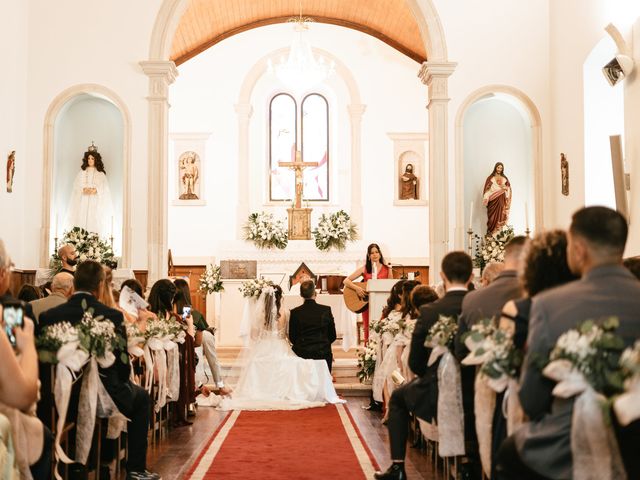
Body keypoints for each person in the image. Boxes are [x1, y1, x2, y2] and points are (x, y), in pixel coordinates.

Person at [496, 207, 640, 480]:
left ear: (579, 250)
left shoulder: (549, 304)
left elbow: (532, 399)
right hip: (635, 443)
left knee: (508, 453)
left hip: (568, 445)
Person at [39, 261, 159, 480]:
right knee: (141, 398)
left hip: (59, 398)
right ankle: (134, 469)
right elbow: (121, 365)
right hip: (105, 393)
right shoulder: (111, 316)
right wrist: (124, 381)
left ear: (74, 285)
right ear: (100, 286)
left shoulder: (50, 316)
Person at [374, 251, 473, 480]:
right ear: (470, 277)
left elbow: (415, 362)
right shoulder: (477, 304)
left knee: (398, 399)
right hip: (476, 385)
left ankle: (398, 468)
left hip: (438, 388)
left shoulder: (430, 311)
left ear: (442, 276)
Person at [488, 231, 577, 479]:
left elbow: (500, 362)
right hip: (575, 416)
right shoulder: (577, 307)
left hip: (526, 407)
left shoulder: (518, 308)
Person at [454, 236, 527, 477]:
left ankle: (477, 462)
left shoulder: (473, 298)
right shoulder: (535, 292)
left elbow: (461, 350)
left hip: (485, 386)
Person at [219, 284, 342, 411]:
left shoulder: (260, 315)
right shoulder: (285, 313)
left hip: (263, 348)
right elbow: (289, 335)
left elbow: (253, 336)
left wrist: (265, 337)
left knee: (256, 363)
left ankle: (261, 391)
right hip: (280, 346)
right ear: (280, 298)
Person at [0, 241, 52, 479]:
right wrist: (27, 344)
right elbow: (22, 396)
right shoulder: (9, 316)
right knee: (40, 434)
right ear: (2, 274)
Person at [173, 278, 230, 396]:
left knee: (204, 342)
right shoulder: (190, 313)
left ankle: (213, 384)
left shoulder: (169, 312)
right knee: (203, 347)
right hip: (189, 348)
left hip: (179, 349)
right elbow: (197, 343)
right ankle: (218, 385)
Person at [344, 243, 391, 343]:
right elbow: (346, 281)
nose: (374, 255)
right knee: (368, 328)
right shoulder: (365, 269)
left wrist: (390, 269)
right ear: (369, 256)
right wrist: (357, 288)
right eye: (372, 253)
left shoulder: (387, 268)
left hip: (382, 304)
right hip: (367, 304)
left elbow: (390, 285)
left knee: (382, 327)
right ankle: (369, 354)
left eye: (376, 252)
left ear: (380, 254)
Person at [64, 143, 114, 237]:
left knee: (94, 218)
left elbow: (105, 187)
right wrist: (83, 189)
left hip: (95, 201)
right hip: (83, 200)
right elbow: (76, 186)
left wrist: (96, 190)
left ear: (96, 160)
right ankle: (81, 239)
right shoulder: (82, 173)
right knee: (82, 217)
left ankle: (93, 241)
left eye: (92, 158)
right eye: (89, 158)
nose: (90, 160)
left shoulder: (100, 174)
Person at [289, 280, 337, 373]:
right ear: (315, 293)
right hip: (322, 353)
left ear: (301, 295)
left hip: (302, 354)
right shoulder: (326, 310)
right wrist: (323, 344)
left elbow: (292, 337)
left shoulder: (295, 312)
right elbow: (332, 335)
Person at [483, 162, 512, 235]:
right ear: (495, 167)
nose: (499, 169)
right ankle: (491, 233)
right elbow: (487, 190)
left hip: (501, 200)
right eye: (498, 167)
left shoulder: (505, 179)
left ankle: (499, 234)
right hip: (493, 201)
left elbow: (509, 190)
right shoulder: (490, 179)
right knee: (492, 219)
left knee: (501, 215)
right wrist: (486, 197)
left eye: (501, 168)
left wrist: (505, 188)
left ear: (502, 169)